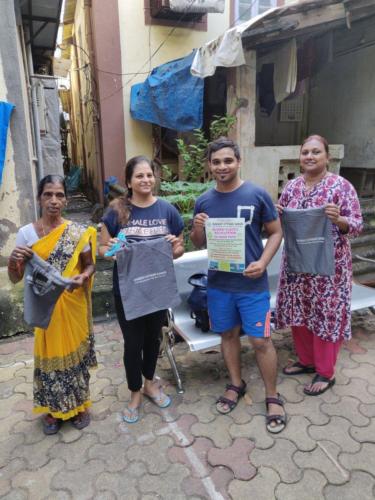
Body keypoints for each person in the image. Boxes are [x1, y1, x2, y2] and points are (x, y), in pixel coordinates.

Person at [191, 137, 286, 433]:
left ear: (238, 161)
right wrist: (196, 228)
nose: (222, 166)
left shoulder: (256, 194)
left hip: (252, 286)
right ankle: (236, 384)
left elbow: (276, 232)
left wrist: (264, 262)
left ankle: (273, 395)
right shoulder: (204, 201)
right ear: (209, 165)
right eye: (216, 161)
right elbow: (198, 242)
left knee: (261, 341)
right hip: (219, 285)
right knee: (228, 335)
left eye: (227, 160)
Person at [8, 174, 97, 434]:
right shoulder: (26, 234)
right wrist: (14, 260)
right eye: (48, 194)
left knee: (75, 357)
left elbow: (90, 264)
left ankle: (79, 405)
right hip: (46, 308)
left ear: (66, 200)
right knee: (49, 357)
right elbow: (15, 278)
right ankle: (52, 409)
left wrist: (85, 276)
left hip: (73, 305)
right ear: (39, 198)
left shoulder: (77, 232)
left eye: (59, 195)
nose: (54, 201)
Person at [276, 135, 363, 395]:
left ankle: (325, 373)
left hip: (330, 268)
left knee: (327, 315)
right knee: (300, 311)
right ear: (299, 157)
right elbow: (284, 225)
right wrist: (278, 213)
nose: (310, 157)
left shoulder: (341, 186)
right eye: (305, 152)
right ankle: (306, 361)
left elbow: (357, 225)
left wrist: (339, 220)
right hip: (298, 263)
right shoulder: (291, 188)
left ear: (327, 157)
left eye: (316, 152)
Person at [99, 156, 184, 423]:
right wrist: (111, 251)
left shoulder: (167, 210)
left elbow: (179, 249)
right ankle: (134, 392)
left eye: (149, 175)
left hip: (157, 289)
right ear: (129, 181)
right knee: (133, 344)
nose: (146, 180)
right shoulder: (115, 211)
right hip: (128, 291)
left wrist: (174, 247)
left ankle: (149, 383)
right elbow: (102, 249)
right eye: (139, 176)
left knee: (153, 341)